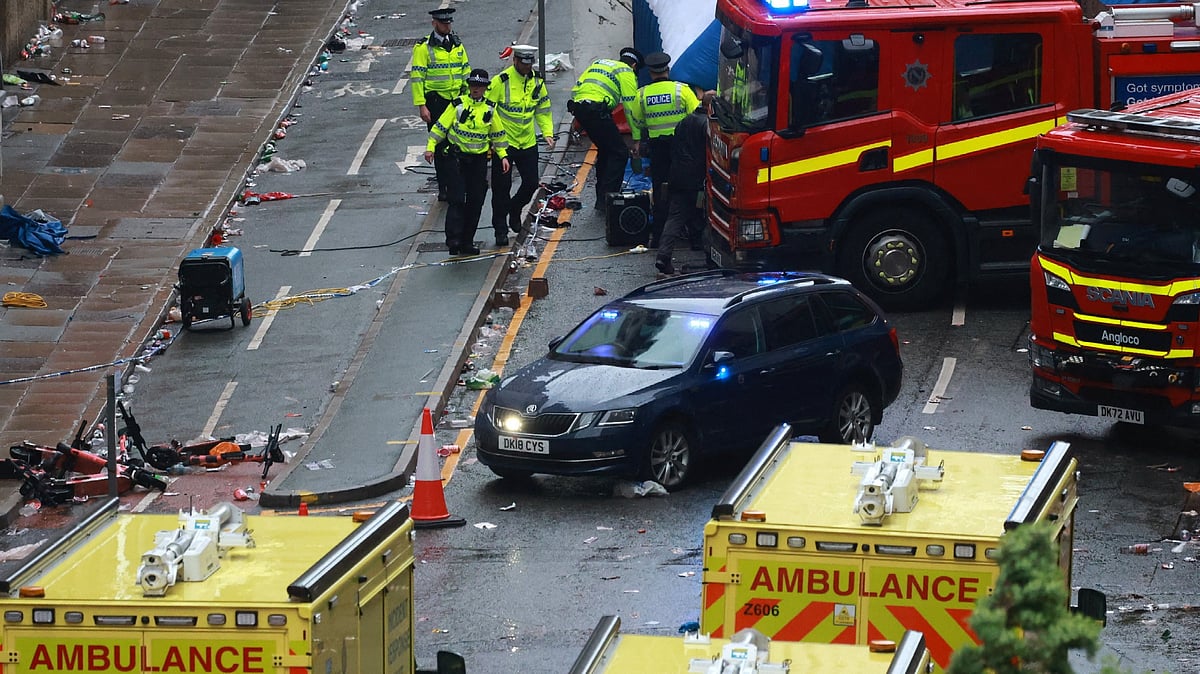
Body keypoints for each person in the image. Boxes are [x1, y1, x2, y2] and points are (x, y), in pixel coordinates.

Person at [424, 69, 509, 256]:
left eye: (480, 86)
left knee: (475, 201)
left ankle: (467, 242)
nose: (476, 89)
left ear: (486, 88)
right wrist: (430, 146)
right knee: (456, 200)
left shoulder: (490, 109)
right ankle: (454, 240)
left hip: (478, 162)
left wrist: (503, 156)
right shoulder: (458, 104)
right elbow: (440, 127)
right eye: (473, 85)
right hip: (457, 159)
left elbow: (498, 136)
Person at [627, 52, 699, 247]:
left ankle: (658, 237)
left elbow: (637, 121)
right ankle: (695, 238)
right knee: (688, 189)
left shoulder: (642, 95)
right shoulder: (681, 90)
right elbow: (696, 116)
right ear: (667, 70)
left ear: (651, 73)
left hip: (657, 149)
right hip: (682, 149)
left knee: (660, 190)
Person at [486, 45, 555, 247]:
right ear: (515, 60)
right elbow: (487, 110)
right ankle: (500, 229)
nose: (527, 68)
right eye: (523, 64)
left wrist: (548, 132)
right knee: (501, 188)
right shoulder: (501, 81)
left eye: (529, 64)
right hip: (504, 143)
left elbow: (543, 109)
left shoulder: (536, 81)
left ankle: (514, 209)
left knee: (532, 183)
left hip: (527, 141)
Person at [568, 47, 642, 214]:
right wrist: (637, 137)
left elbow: (577, 88)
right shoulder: (626, 72)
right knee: (619, 152)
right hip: (596, 111)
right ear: (634, 65)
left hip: (580, 107)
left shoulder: (599, 63)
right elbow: (630, 107)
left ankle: (602, 198)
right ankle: (610, 199)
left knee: (606, 150)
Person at [411, 7, 470, 202]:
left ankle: (457, 182)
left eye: (449, 23)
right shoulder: (423, 48)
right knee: (440, 144)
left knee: (459, 142)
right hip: (436, 102)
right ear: (434, 23)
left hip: (456, 100)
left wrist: (468, 96)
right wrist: (421, 105)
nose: (447, 26)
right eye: (443, 23)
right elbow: (417, 77)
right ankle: (444, 186)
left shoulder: (457, 44)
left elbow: (465, 70)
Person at [656, 91, 715, 277]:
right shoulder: (706, 124)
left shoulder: (684, 121)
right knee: (708, 217)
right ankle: (710, 258)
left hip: (678, 176)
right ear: (711, 106)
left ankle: (663, 256)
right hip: (697, 180)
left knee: (675, 218)